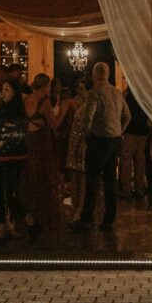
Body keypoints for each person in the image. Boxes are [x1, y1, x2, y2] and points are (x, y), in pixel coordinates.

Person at [69, 62, 130, 233]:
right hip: (115, 140)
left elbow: (88, 118)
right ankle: (109, 219)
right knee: (110, 181)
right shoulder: (117, 93)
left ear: (95, 75)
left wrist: (87, 136)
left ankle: (86, 219)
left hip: (99, 140)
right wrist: (119, 131)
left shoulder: (94, 93)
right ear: (108, 74)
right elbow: (127, 116)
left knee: (92, 180)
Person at [0, 79, 28, 248]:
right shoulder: (4, 108)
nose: (3, 93)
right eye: (2, 89)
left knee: (5, 193)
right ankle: (11, 228)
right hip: (5, 155)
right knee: (5, 194)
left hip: (10, 156)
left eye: (6, 90)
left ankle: (4, 231)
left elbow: (9, 132)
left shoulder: (14, 110)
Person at [23, 73, 64, 241]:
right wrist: (63, 110)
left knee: (32, 176)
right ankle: (45, 215)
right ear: (45, 86)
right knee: (46, 178)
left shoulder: (27, 100)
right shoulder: (45, 102)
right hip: (42, 142)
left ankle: (32, 213)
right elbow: (54, 124)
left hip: (30, 142)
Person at [65, 77, 91, 221]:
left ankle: (81, 208)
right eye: (78, 89)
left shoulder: (91, 104)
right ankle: (76, 205)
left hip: (83, 142)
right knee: (75, 175)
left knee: (83, 177)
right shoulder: (75, 102)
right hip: (74, 141)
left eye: (82, 89)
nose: (79, 92)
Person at [119, 83, 151, 199]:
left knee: (127, 161)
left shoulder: (127, 94)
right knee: (140, 161)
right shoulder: (144, 94)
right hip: (143, 131)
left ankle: (127, 190)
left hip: (130, 131)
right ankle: (140, 189)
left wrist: (121, 128)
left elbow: (122, 112)